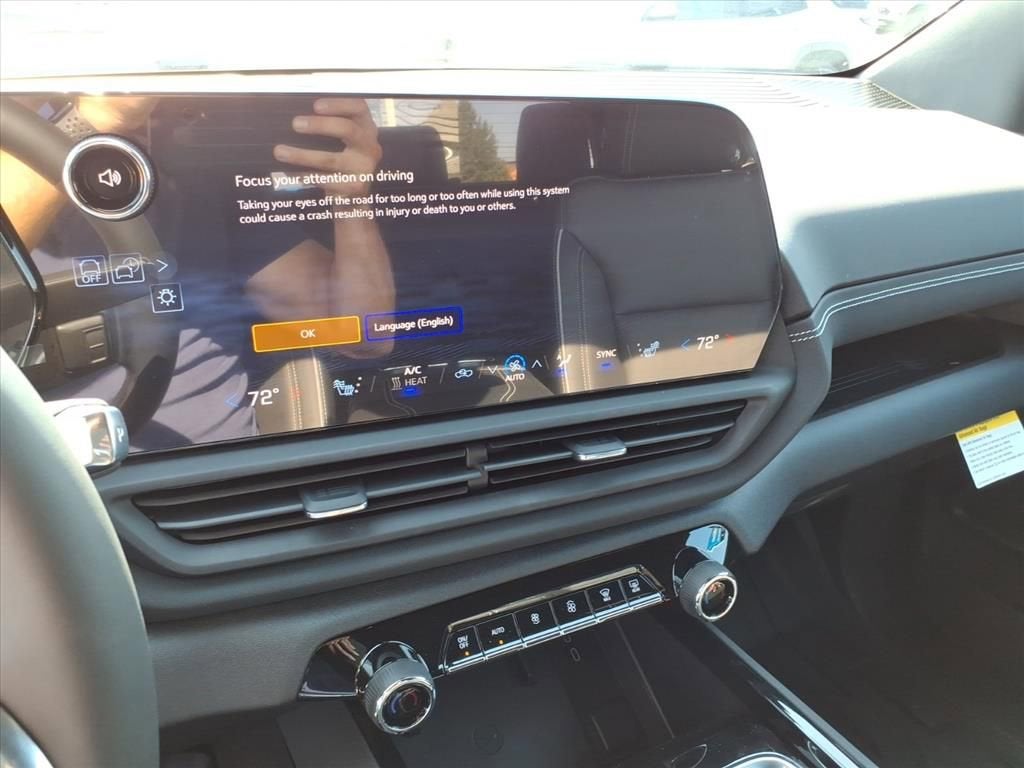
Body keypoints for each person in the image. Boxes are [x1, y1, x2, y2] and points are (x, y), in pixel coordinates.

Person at [0, 95, 395, 449]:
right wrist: (87, 123)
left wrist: (350, 200)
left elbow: (362, 335)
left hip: (226, 478)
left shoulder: (189, 181)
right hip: (55, 490)